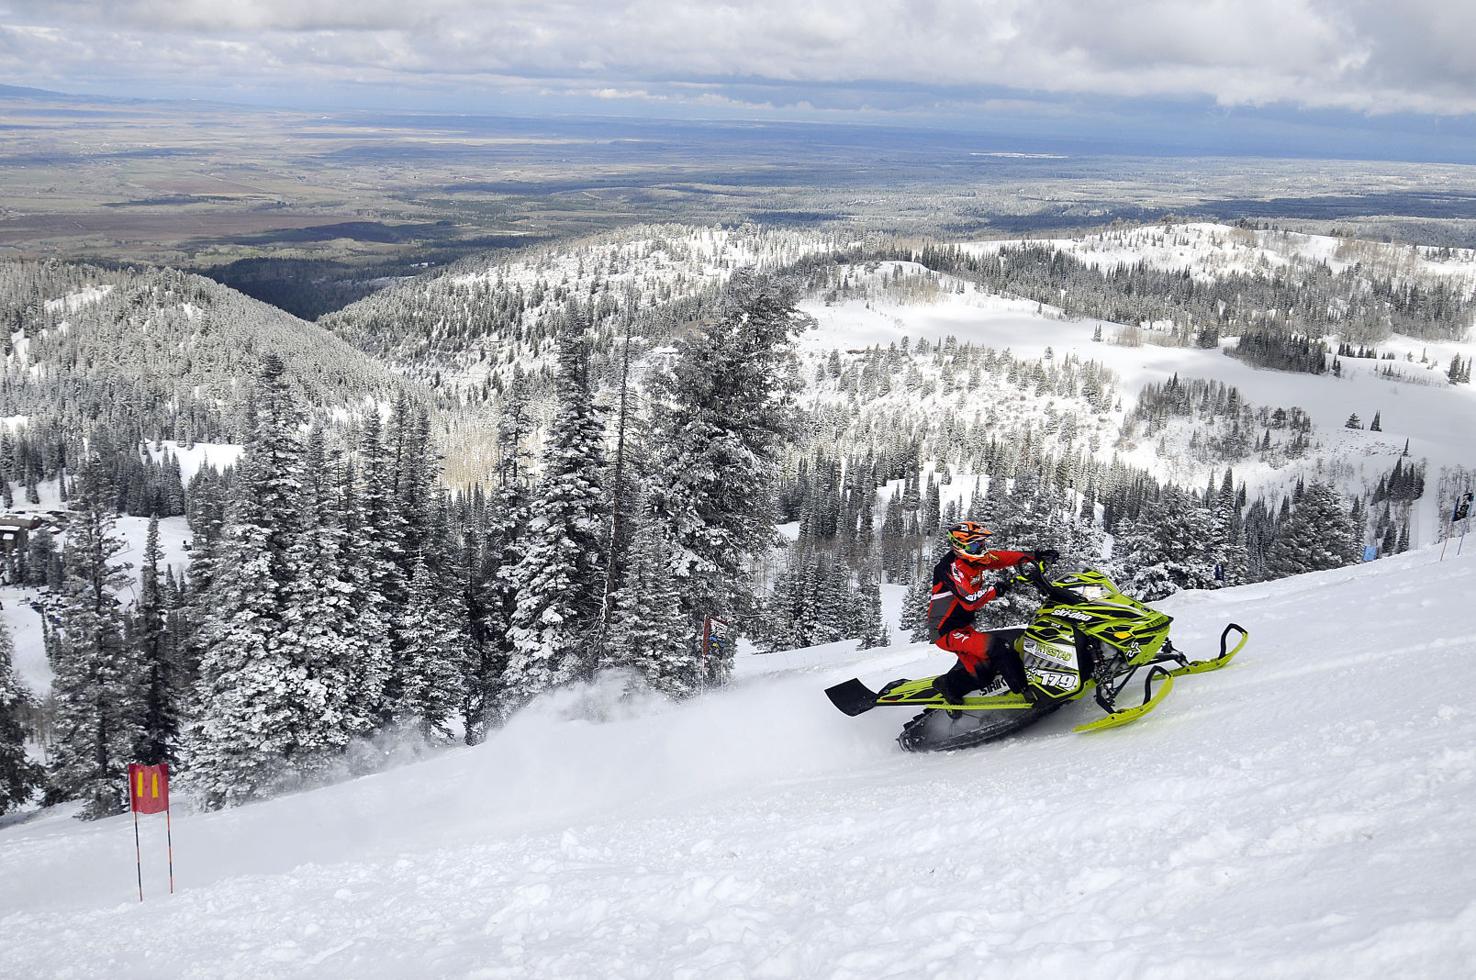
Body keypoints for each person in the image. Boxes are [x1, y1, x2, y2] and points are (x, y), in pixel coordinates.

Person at [927, 520, 1057, 704]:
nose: (981, 548)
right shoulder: (950, 568)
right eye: (975, 545)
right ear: (959, 545)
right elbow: (969, 601)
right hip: (945, 631)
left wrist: (1034, 556)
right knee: (999, 648)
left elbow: (1002, 558)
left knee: (984, 675)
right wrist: (995, 590)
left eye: (982, 543)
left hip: (962, 627)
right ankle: (1028, 694)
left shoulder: (974, 559)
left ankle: (950, 683)